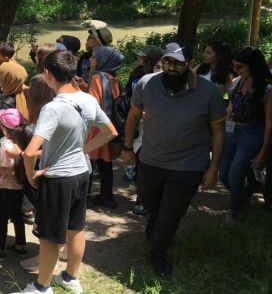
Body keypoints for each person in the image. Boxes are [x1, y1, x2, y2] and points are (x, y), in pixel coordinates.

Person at [15, 51, 117, 294]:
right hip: (82, 173)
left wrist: (30, 175)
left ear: (48, 74)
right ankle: (71, 277)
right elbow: (110, 132)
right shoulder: (88, 99)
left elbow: (29, 153)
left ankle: (41, 287)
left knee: (50, 236)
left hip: (59, 178)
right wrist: (84, 149)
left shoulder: (54, 107)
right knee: (76, 228)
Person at [122, 42, 226, 278]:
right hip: (150, 158)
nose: (170, 68)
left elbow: (218, 131)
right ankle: (156, 223)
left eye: (177, 64)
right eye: (167, 62)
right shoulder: (147, 83)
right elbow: (133, 115)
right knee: (150, 202)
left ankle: (158, 252)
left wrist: (214, 166)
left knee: (171, 212)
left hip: (187, 164)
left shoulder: (208, 92)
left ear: (188, 64)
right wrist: (128, 147)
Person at [219, 46, 272, 224]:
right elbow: (232, 106)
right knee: (224, 174)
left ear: (253, 65)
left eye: (240, 66)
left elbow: (269, 124)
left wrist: (263, 152)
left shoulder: (266, 89)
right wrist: (226, 117)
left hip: (251, 134)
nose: (236, 70)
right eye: (234, 66)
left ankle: (233, 211)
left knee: (235, 175)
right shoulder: (237, 82)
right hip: (232, 130)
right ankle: (242, 199)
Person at [125, 46, 163, 215]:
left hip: (152, 125)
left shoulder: (160, 80)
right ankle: (141, 199)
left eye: (144, 57)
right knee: (138, 162)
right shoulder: (136, 73)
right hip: (136, 123)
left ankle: (147, 199)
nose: (140, 59)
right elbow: (128, 93)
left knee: (148, 163)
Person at [86, 46, 124, 209]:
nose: (90, 59)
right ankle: (106, 195)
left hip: (98, 127)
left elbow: (92, 101)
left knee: (93, 159)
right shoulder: (113, 77)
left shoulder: (97, 77)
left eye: (94, 57)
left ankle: (100, 195)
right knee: (105, 163)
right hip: (111, 123)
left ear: (103, 61)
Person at [0, 108, 27, 261]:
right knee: (17, 216)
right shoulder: (22, 142)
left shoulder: (6, 145)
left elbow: (5, 168)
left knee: (1, 218)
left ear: (3, 127)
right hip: (19, 186)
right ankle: (20, 244)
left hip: (5, 187)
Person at [76, 20, 113, 85]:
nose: (87, 39)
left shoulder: (105, 60)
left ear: (98, 41)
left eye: (90, 37)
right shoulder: (85, 56)